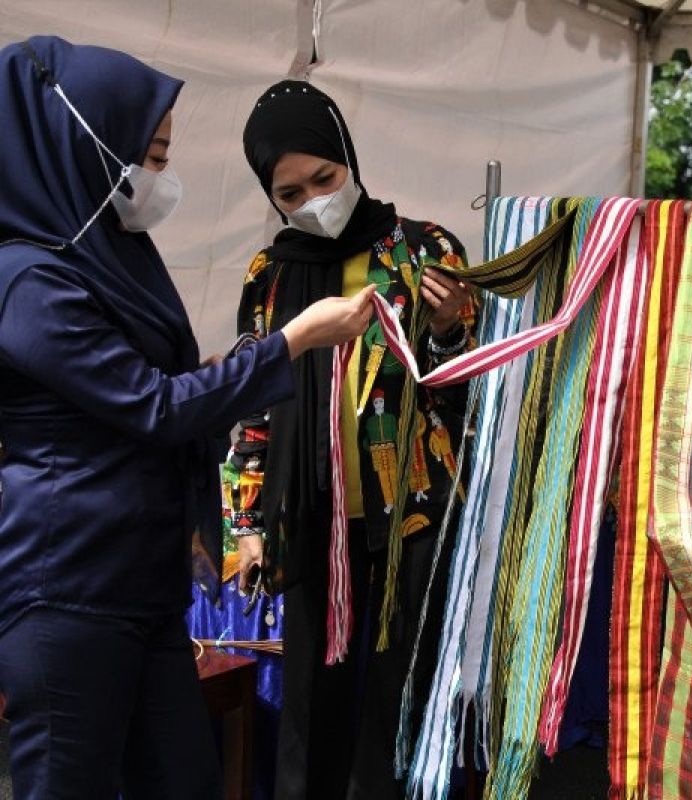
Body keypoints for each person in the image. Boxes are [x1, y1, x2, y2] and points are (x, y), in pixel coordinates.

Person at [0, 38, 373, 799]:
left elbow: (154, 386)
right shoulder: (28, 280)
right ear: (86, 146)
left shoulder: (108, 254)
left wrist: (212, 378)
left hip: (143, 584)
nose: (159, 176)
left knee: (185, 777)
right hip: (69, 587)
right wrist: (292, 342)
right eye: (152, 155)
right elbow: (153, 407)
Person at [227, 80, 475, 798]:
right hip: (308, 515)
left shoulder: (426, 249)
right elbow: (252, 397)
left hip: (412, 517)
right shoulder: (269, 274)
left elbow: (464, 395)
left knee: (402, 693)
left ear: (348, 157)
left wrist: (449, 329)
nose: (312, 200)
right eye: (291, 192)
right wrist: (245, 523)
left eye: (325, 178)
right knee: (309, 698)